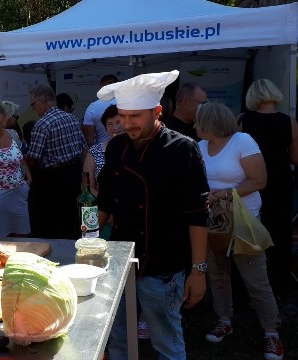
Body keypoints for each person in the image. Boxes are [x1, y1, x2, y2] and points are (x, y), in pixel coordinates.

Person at [96, 70, 209, 360]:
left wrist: (198, 271)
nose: (127, 124)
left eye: (136, 117)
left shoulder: (182, 148)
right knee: (117, 337)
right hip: (119, 259)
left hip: (164, 266)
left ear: (157, 112)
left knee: (167, 343)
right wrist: (89, 239)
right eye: (123, 116)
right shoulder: (116, 147)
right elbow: (106, 200)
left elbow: (198, 215)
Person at [196, 102, 284, 360]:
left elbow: (259, 181)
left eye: (198, 120)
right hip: (214, 222)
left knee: (256, 279)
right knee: (217, 275)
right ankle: (224, 319)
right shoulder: (200, 146)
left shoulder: (242, 141)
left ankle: (272, 333)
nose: (194, 125)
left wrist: (224, 194)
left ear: (209, 122)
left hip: (244, 222)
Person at [239, 79, 298, 296]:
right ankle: (279, 283)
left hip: (252, 181)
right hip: (281, 181)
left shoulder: (244, 121)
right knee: (280, 231)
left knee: (250, 229)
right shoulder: (289, 122)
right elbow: (295, 156)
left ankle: (249, 285)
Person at [26, 84, 86, 239]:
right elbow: (84, 148)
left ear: (42, 101)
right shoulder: (72, 118)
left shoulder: (42, 124)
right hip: (74, 173)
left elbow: (33, 158)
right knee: (72, 218)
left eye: (33, 104)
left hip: (53, 179)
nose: (33, 108)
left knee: (52, 222)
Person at [0, 99, 32, 237]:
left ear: (4, 117)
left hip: (18, 194)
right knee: (2, 240)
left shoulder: (13, 134)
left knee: (23, 236)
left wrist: (28, 179)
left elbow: (20, 158)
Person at [82, 104, 123, 197]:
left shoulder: (136, 148)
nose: (115, 128)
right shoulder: (95, 151)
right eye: (109, 124)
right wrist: (105, 202)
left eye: (118, 122)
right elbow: (88, 187)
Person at [82, 74, 118, 147]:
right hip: (125, 147)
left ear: (101, 86)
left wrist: (95, 153)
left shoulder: (93, 107)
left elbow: (89, 140)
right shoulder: (126, 103)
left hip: (102, 149)